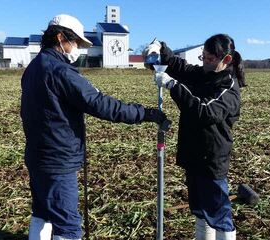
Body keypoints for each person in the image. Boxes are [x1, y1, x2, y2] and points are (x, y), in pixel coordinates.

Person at [21, 14, 169, 240]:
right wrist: (145, 113)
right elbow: (101, 105)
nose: (77, 49)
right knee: (68, 227)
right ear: (61, 38)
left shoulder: (33, 68)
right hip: (58, 161)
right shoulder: (61, 72)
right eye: (76, 43)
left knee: (42, 213)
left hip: (37, 155)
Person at [144, 34, 245, 240]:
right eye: (203, 57)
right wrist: (160, 47)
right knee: (199, 210)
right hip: (193, 156)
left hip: (211, 160)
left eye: (210, 59)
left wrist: (174, 86)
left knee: (219, 215)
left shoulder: (228, 88)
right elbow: (180, 67)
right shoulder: (204, 73)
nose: (205, 62)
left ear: (225, 60)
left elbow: (204, 111)